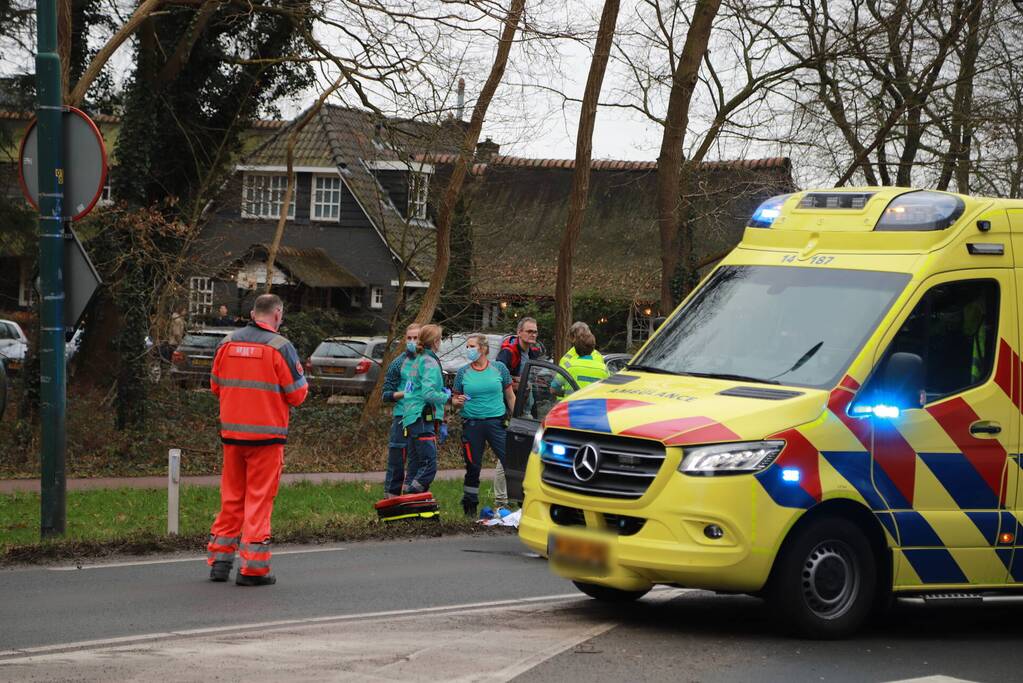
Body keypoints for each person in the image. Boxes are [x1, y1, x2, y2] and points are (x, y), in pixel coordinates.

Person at [205, 293, 308, 586]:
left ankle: (219, 562)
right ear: (277, 314)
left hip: (232, 436)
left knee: (232, 499)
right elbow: (298, 395)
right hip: (266, 438)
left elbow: (215, 386)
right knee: (258, 502)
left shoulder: (227, 343)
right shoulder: (280, 347)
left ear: (252, 314)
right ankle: (252, 569)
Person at [452, 334, 515, 517]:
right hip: (472, 424)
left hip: (496, 422)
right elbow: (454, 399)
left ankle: (520, 502)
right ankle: (470, 507)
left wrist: (518, 418)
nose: (468, 350)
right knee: (473, 467)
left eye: (472, 346)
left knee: (509, 463)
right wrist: (457, 402)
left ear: (483, 349)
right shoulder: (463, 372)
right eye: (467, 347)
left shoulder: (499, 368)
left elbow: (510, 396)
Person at [495, 318, 542, 506]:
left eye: (535, 332)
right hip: (511, 411)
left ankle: (521, 497)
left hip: (528, 411)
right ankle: (500, 500)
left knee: (527, 456)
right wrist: (515, 382)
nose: (533, 335)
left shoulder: (534, 353)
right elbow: (498, 375)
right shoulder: (508, 353)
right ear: (519, 333)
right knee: (507, 454)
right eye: (529, 331)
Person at [401, 323, 449, 493]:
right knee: (429, 465)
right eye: (440, 339)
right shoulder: (430, 362)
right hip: (422, 418)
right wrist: (446, 396)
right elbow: (428, 394)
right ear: (436, 341)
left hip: (411, 417)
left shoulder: (417, 360)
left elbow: (409, 390)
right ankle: (413, 496)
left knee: (414, 465)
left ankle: (406, 500)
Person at [380, 323, 421, 497]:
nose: (412, 341)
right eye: (409, 338)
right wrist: (403, 394)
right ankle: (391, 500)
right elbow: (385, 395)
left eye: (416, 338)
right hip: (401, 417)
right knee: (396, 461)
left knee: (418, 461)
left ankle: (413, 498)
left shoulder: (430, 361)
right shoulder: (398, 363)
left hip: (421, 418)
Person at [552, 329, 609, 396]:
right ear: (593, 348)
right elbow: (608, 391)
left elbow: (553, 389)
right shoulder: (603, 369)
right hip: (596, 406)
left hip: (572, 405)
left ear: (575, 348)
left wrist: (565, 394)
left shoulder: (568, 366)